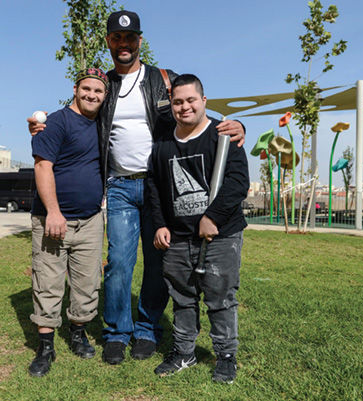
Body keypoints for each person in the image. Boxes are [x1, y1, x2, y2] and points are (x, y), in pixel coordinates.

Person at [27, 10, 246, 365]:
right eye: (116, 38)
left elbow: (192, 111)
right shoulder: (105, 85)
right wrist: (42, 126)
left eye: (130, 38)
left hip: (161, 186)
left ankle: (146, 329)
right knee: (118, 263)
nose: (123, 44)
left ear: (140, 41)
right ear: (109, 43)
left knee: (159, 261)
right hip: (119, 187)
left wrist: (234, 128)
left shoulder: (163, 79)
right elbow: (78, 113)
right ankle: (116, 333)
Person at [146, 74, 249, 383]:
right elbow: (155, 185)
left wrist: (213, 217)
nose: (184, 107)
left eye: (191, 100)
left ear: (204, 101)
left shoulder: (224, 136)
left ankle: (226, 356)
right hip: (177, 237)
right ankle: (184, 352)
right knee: (182, 298)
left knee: (220, 297)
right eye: (178, 102)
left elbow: (238, 182)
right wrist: (160, 224)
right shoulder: (163, 142)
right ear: (171, 105)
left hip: (221, 234)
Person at [28, 68, 108, 377]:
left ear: (104, 96)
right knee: (48, 283)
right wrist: (54, 211)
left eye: (98, 91)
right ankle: (46, 346)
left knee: (87, 284)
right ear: (75, 89)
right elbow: (42, 166)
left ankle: (78, 333)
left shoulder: (102, 124)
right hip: (52, 218)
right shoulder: (57, 122)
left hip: (90, 221)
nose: (91, 95)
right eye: (86, 88)